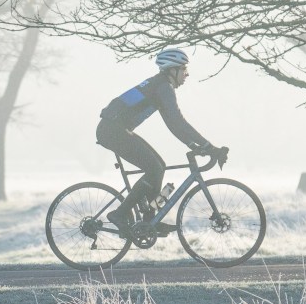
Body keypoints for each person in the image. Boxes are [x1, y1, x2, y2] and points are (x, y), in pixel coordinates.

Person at [96, 48, 223, 237]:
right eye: (184, 70)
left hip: (116, 130)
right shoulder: (163, 87)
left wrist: (193, 145)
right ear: (173, 70)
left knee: (159, 166)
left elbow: (173, 124)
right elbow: (178, 121)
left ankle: (150, 220)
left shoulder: (160, 86)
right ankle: (120, 214)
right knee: (154, 168)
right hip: (112, 131)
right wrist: (208, 146)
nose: (187, 75)